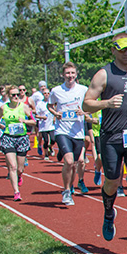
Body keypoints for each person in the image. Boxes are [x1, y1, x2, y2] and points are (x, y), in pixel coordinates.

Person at [82, 33, 127, 254]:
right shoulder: (104, 74)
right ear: (113, 50)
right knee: (112, 183)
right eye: (122, 49)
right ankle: (109, 211)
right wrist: (107, 103)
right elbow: (86, 104)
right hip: (111, 138)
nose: (126, 53)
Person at [48, 62, 89, 205]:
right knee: (69, 161)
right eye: (67, 73)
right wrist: (55, 113)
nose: (70, 76)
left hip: (77, 132)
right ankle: (66, 192)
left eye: (72, 73)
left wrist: (83, 112)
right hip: (62, 130)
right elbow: (50, 105)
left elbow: (91, 105)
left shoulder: (83, 89)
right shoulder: (56, 90)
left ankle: (70, 185)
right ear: (62, 75)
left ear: (76, 74)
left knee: (75, 164)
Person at [0, 86, 37, 201]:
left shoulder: (24, 107)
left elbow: (34, 121)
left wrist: (25, 121)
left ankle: (19, 175)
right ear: (8, 96)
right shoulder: (4, 108)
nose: (16, 97)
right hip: (8, 138)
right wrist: (0, 126)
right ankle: (16, 192)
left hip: (21, 138)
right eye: (13, 95)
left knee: (20, 168)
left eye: (17, 94)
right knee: (12, 166)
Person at [34, 88, 56, 159]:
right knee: (46, 140)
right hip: (43, 125)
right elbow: (36, 115)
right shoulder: (40, 104)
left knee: (53, 139)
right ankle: (46, 154)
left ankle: (51, 147)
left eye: (48, 93)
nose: (46, 95)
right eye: (45, 93)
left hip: (51, 125)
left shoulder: (52, 103)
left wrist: (55, 118)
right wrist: (42, 117)